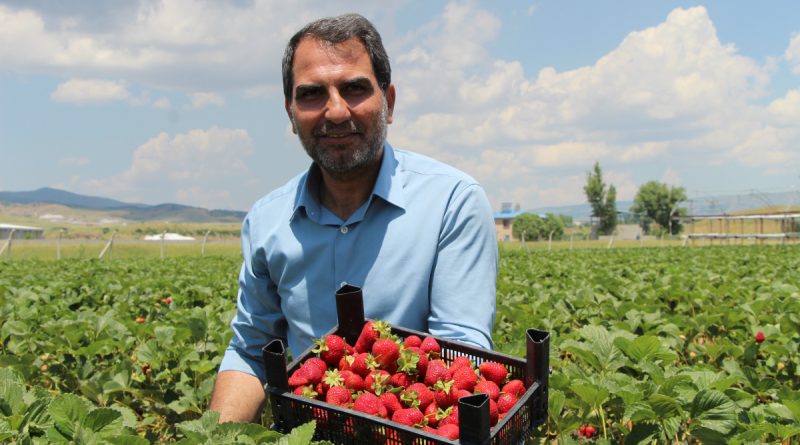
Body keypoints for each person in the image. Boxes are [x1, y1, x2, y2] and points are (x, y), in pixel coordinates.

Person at [209, 13, 498, 423]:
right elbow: (251, 350)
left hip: (413, 428)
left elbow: (458, 357)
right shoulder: (267, 221)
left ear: (390, 102)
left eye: (355, 88)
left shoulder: (452, 201)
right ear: (291, 114)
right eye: (311, 94)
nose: (337, 111)